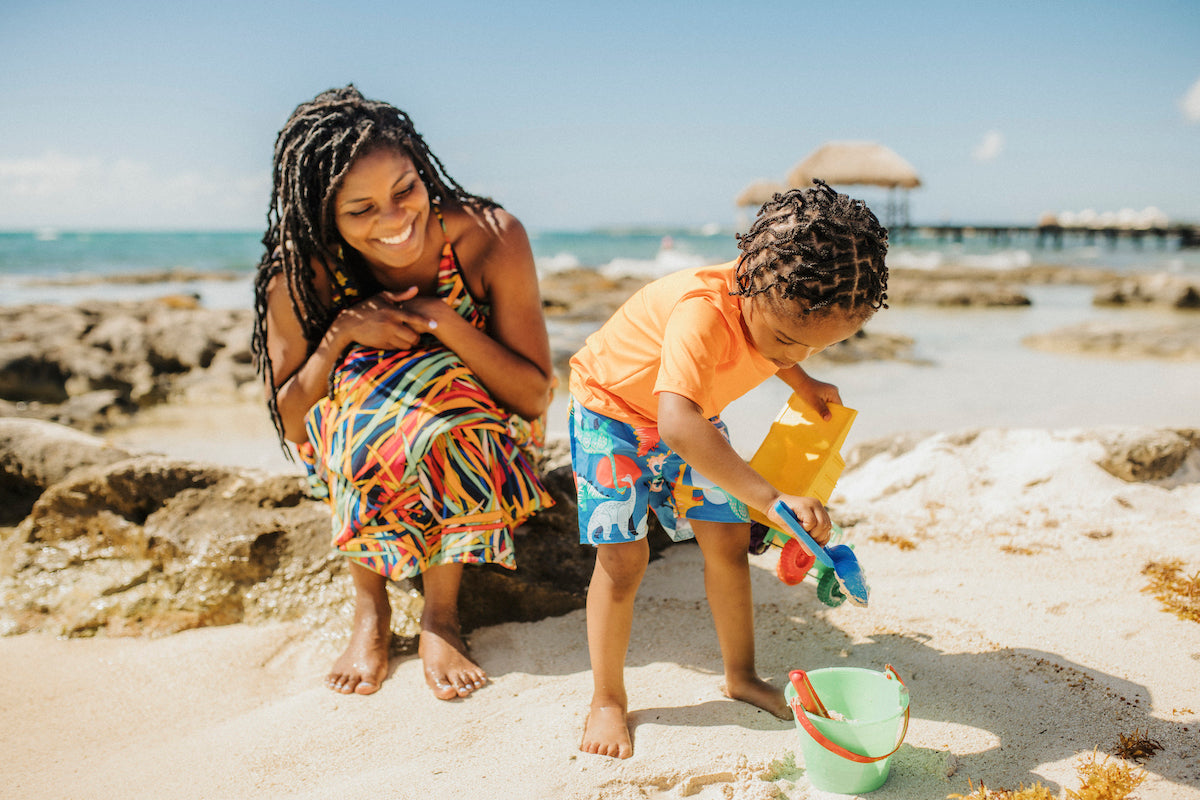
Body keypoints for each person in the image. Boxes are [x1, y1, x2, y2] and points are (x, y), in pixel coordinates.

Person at [250, 85, 555, 700]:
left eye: (405, 190)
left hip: (480, 415)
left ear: (421, 169)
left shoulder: (490, 236)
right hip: (355, 423)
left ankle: (441, 614)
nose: (394, 220)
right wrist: (340, 333)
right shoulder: (300, 269)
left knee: (446, 423)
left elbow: (534, 396)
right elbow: (290, 420)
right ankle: (371, 611)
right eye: (360, 211)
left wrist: (442, 320)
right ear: (324, 215)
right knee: (363, 423)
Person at [567, 180, 889, 758]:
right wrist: (770, 499)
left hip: (687, 409)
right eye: (789, 342)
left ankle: (741, 676)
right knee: (622, 560)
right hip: (612, 411)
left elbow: (766, 349)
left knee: (728, 540)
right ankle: (607, 699)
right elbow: (678, 426)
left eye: (816, 351)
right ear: (745, 280)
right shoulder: (701, 311)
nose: (794, 357)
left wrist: (801, 377)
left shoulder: (777, 303)